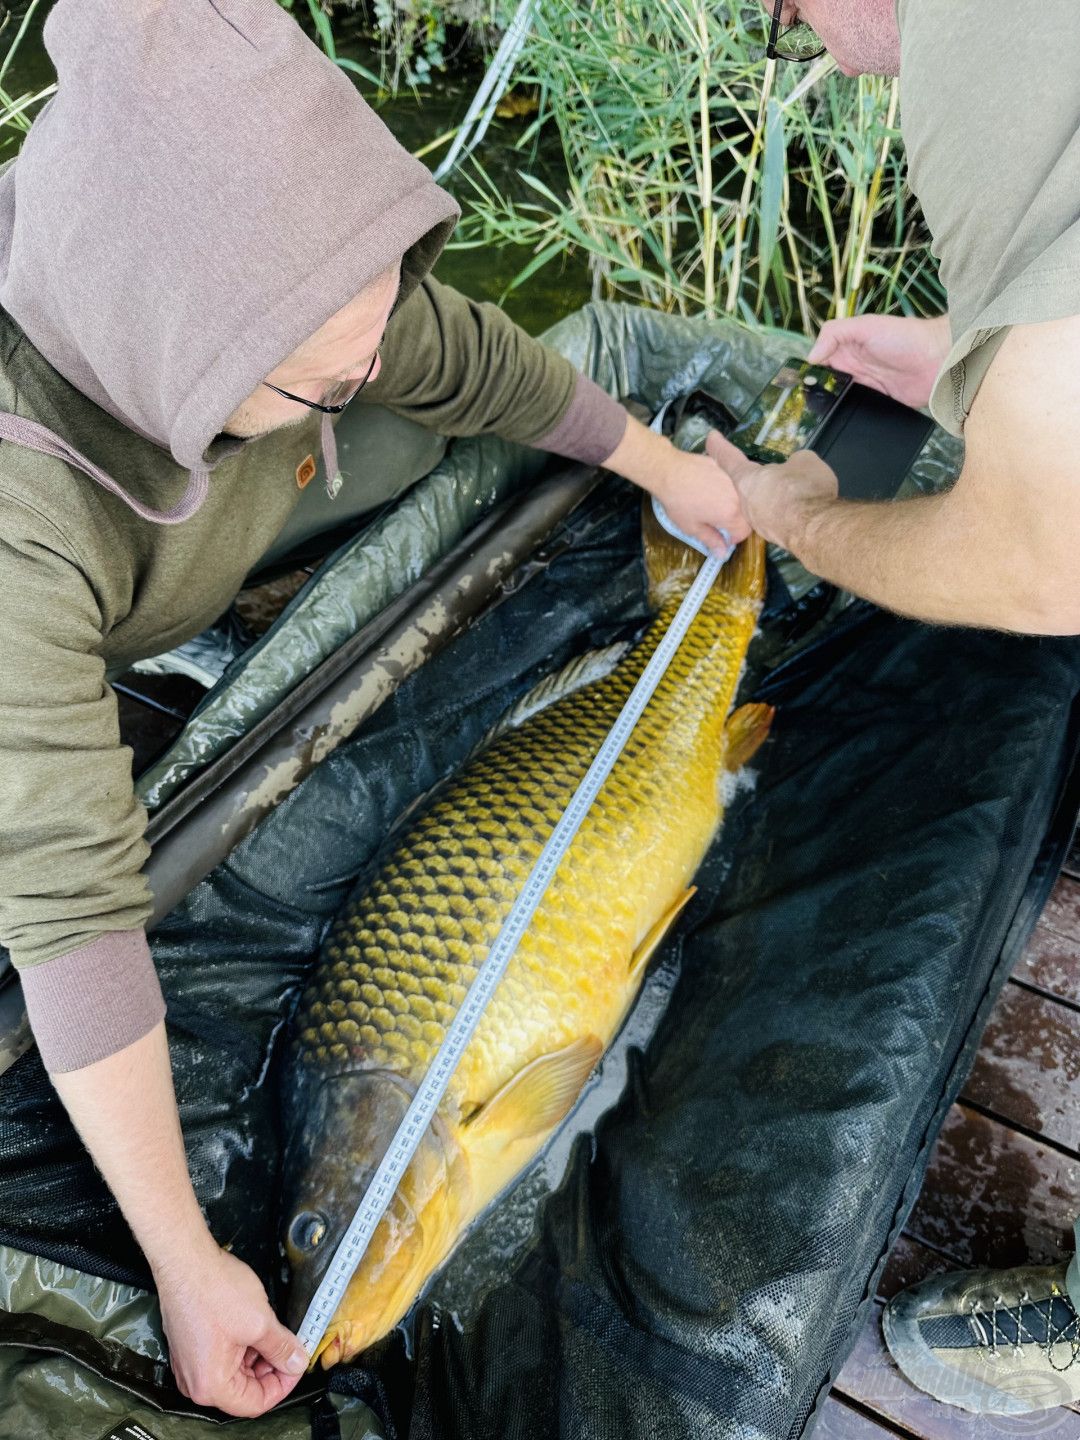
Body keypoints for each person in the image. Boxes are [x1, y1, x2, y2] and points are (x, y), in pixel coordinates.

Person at [0, 0, 749, 1421]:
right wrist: (183, 1254)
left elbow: (455, 354)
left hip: (217, 468)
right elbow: (72, 919)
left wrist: (661, 464)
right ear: (184, 350)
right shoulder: (15, 533)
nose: (368, 358)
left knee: (405, 398)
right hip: (56, 596)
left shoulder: (272, 280)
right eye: (326, 364)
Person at [704, 0, 1080, 1418]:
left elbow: (1042, 556)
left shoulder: (981, 50)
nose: (789, 28)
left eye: (776, 6)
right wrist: (973, 356)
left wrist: (807, 521)